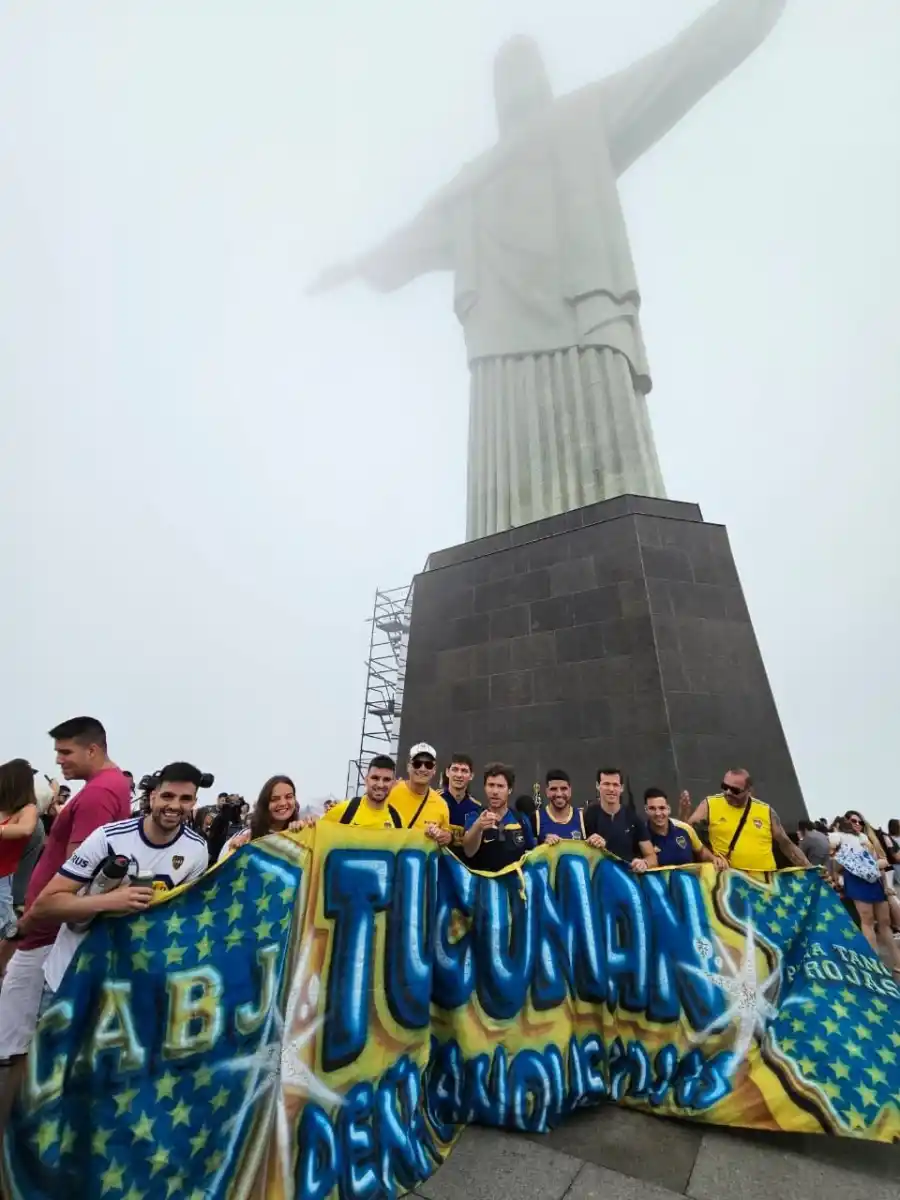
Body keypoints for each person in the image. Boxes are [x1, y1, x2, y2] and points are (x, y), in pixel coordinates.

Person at [0, 717, 131, 1064]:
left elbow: (80, 868)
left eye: (65, 752)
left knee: (14, 1038)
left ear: (92, 749)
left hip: (50, 927)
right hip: (49, 925)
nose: (58, 760)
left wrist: (38, 916)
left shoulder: (99, 792)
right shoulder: (110, 786)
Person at [29, 762, 209, 998]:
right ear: (152, 797)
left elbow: (183, 916)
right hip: (72, 975)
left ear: (194, 802)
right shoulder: (108, 838)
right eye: (167, 796)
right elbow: (46, 905)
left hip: (130, 986)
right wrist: (111, 901)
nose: (174, 806)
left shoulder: (197, 849)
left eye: (185, 798)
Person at [680, 769, 809, 873]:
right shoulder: (710, 804)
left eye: (735, 790)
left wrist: (809, 868)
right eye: (724, 787)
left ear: (748, 790)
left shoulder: (765, 811)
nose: (728, 792)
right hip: (731, 880)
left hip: (765, 881)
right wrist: (684, 813)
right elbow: (687, 833)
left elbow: (786, 844)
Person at [828, 817, 900, 978]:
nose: (856, 824)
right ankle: (876, 965)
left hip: (873, 880)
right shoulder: (839, 837)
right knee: (867, 921)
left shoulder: (863, 838)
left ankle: (896, 961)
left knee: (884, 922)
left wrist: (886, 885)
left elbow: (876, 859)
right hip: (857, 881)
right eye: (853, 821)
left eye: (858, 821)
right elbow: (836, 863)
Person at [462, 764, 535, 871]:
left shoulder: (521, 820)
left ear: (509, 789)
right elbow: (468, 851)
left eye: (500, 786)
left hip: (514, 885)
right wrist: (478, 827)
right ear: (485, 787)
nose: (495, 792)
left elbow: (531, 855)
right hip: (484, 885)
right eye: (491, 785)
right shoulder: (475, 817)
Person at [584, 768, 656, 873]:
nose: (611, 789)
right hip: (599, 877)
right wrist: (589, 844)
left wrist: (644, 863)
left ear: (622, 788)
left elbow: (652, 857)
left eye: (615, 785)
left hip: (627, 876)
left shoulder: (633, 818)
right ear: (597, 786)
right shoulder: (588, 816)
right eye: (606, 784)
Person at [218, 776, 303, 859]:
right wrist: (233, 852)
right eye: (274, 799)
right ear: (264, 803)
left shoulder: (302, 833)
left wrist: (312, 828)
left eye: (289, 797)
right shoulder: (245, 837)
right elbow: (222, 868)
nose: (283, 803)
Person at [0, 762, 40, 931]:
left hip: (2, 877)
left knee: (4, 923)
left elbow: (25, 829)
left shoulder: (28, 809)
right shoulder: (3, 809)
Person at [643, 788, 726, 868]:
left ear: (668, 809)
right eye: (652, 808)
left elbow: (701, 851)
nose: (658, 813)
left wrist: (714, 859)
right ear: (646, 810)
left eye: (662, 808)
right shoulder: (641, 835)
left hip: (688, 881)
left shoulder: (684, 828)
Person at [389, 743, 452, 845]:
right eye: (417, 764)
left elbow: (445, 835)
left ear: (434, 770)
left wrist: (444, 836)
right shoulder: (390, 791)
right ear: (408, 766)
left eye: (428, 765)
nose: (422, 769)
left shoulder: (441, 804)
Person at [324, 757, 405, 828]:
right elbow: (318, 836)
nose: (380, 785)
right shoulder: (345, 810)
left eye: (386, 780)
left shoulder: (397, 821)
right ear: (366, 780)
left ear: (394, 783)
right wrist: (312, 822)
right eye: (375, 778)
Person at [440, 753, 481, 849]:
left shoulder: (476, 808)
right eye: (455, 769)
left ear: (471, 776)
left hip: (464, 862)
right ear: (447, 772)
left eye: (464, 771)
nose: (459, 775)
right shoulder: (434, 800)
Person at [534, 770, 585, 844]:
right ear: (547, 792)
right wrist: (543, 845)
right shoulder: (535, 818)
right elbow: (529, 852)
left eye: (563, 788)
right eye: (553, 789)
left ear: (570, 791)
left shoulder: (583, 818)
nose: (559, 794)